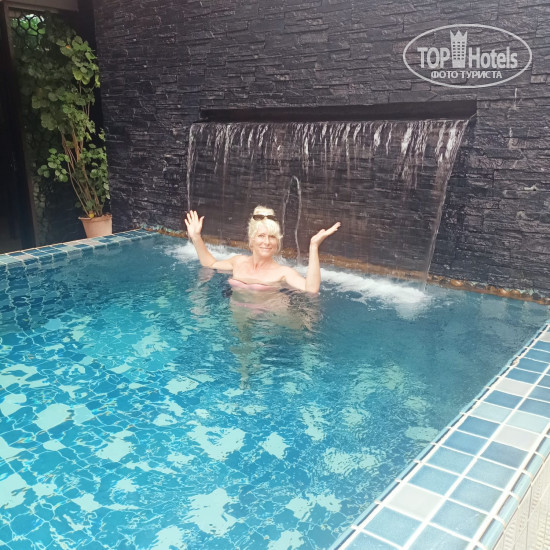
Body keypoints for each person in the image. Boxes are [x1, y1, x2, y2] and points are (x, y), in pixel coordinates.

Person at [184, 206, 340, 294]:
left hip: (269, 324)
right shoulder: (238, 262)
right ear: (251, 239)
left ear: (277, 242)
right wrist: (196, 237)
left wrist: (313, 246)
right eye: (261, 236)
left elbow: (311, 289)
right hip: (239, 319)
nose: (267, 242)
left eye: (272, 237)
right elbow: (210, 264)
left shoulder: (283, 272)